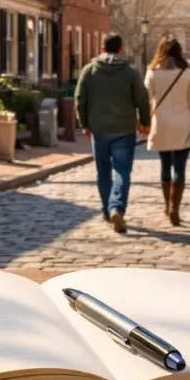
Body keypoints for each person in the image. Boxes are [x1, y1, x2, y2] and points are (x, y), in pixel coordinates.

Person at [76, 33, 151, 234]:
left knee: (103, 171)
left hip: (99, 129)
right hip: (124, 129)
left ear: (102, 49)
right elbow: (142, 99)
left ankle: (106, 210)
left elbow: (80, 98)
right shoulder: (130, 71)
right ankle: (116, 207)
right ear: (121, 50)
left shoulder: (89, 70)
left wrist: (85, 124)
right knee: (122, 171)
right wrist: (145, 122)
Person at [144, 37, 190, 226]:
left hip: (161, 125)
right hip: (183, 125)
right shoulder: (187, 73)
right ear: (179, 51)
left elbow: (146, 99)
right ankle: (174, 208)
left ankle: (167, 205)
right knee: (179, 167)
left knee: (164, 165)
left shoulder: (152, 72)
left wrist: (144, 122)